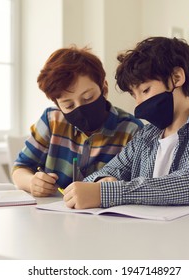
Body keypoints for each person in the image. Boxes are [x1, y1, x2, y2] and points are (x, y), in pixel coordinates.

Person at [63, 36, 189, 209]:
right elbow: (108, 171)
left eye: (145, 90)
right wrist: (104, 181)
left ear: (177, 77)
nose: (139, 104)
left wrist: (106, 193)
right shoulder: (146, 135)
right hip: (153, 232)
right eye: (134, 95)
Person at [12, 46, 143, 197]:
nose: (80, 109)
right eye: (68, 105)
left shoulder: (131, 130)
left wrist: (111, 185)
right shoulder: (52, 120)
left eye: (88, 98)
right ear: (58, 105)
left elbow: (139, 185)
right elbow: (20, 168)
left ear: (104, 89)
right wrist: (32, 182)